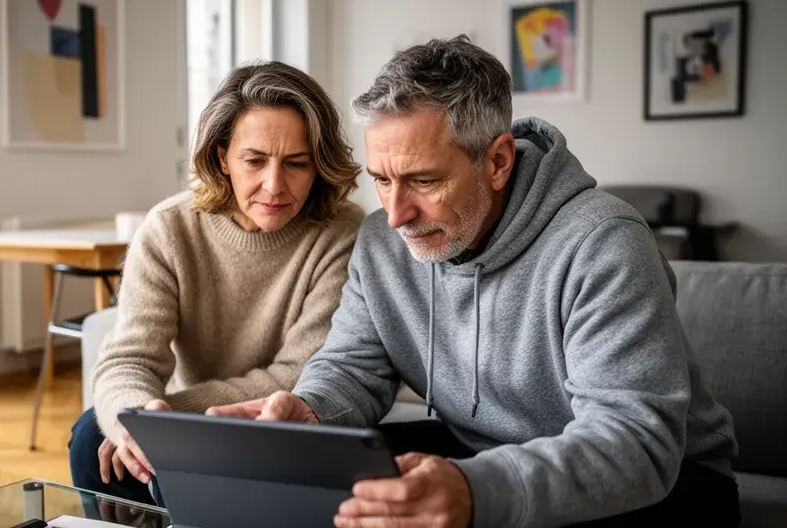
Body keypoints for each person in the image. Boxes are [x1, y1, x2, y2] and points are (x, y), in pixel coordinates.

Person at [209, 37, 739, 527]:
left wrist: (476, 490)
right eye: (383, 180)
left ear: (498, 161)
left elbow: (635, 443)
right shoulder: (382, 242)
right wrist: (313, 407)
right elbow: (353, 367)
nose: (395, 214)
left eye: (423, 180)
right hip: (479, 452)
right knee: (328, 490)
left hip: (670, 484)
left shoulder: (603, 243)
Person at [68, 60, 365, 507]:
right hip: (184, 426)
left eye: (297, 164)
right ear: (222, 157)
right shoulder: (169, 229)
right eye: (255, 160)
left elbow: (302, 373)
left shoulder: (343, 233)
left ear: (319, 165)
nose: (274, 185)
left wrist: (178, 419)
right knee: (95, 436)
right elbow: (127, 360)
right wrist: (134, 422)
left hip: (285, 424)